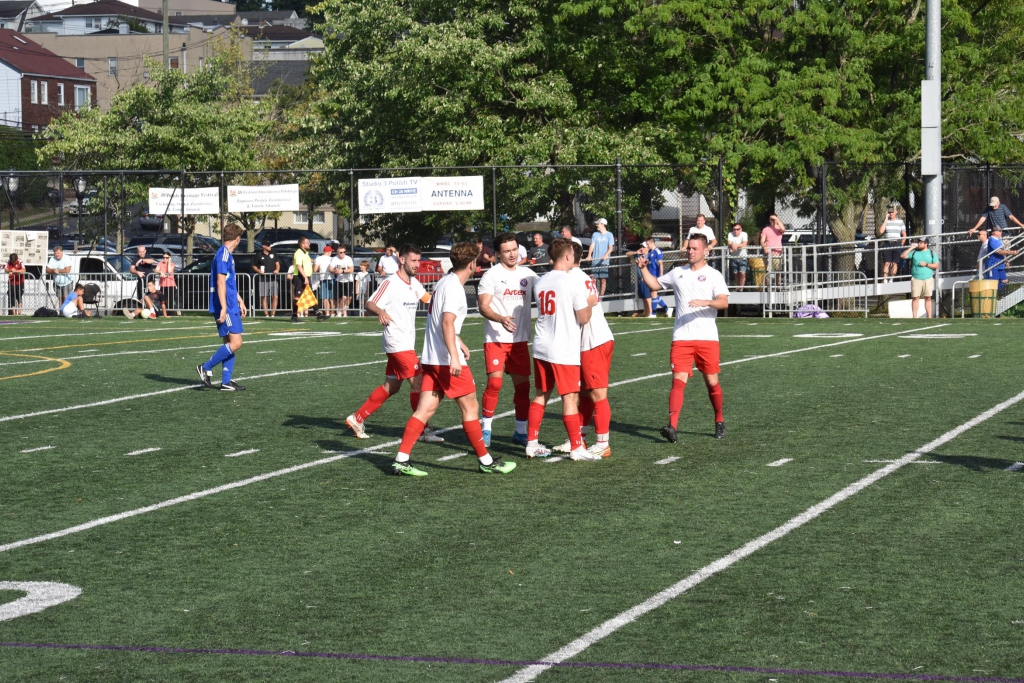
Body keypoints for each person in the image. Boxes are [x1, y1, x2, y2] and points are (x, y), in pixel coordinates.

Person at [391, 242, 517, 476]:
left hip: (431, 358)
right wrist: (454, 356)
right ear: (471, 263)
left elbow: (442, 321)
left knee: (424, 410)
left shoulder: (444, 282)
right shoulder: (455, 288)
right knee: (471, 407)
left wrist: (458, 342)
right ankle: (486, 461)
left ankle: (401, 459)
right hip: (443, 360)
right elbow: (447, 322)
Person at [346, 244, 444, 444]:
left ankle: (357, 418)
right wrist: (380, 311)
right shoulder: (390, 282)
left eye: (419, 261)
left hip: (406, 342)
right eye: (413, 260)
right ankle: (423, 430)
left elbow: (429, 300)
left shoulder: (414, 283)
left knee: (391, 386)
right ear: (402, 260)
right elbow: (370, 303)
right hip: (397, 342)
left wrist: (445, 298)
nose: (417, 265)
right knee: (419, 383)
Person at [637, 233, 729, 442]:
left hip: (707, 338)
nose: (690, 251)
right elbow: (654, 285)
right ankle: (672, 427)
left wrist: (705, 302)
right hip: (681, 338)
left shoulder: (714, 275)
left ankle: (719, 420)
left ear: (705, 251)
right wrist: (642, 268)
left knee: (711, 381)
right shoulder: (678, 272)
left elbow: (723, 302)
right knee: (678, 381)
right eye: (689, 248)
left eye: (695, 248)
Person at [524, 237, 600, 461]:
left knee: (541, 394)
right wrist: (590, 302)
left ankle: (532, 443)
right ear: (568, 256)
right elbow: (583, 318)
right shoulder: (571, 281)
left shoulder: (541, 281)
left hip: (541, 344)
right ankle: (577, 447)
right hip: (563, 347)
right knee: (570, 397)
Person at [477, 232, 539, 447]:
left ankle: (520, 432)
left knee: (523, 388)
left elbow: (549, 289)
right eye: (507, 251)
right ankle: (486, 430)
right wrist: (500, 318)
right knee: (494, 383)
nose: (512, 254)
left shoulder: (528, 274)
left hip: (519, 341)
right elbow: (483, 306)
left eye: (514, 250)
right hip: (496, 339)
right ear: (497, 254)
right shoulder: (491, 275)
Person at [553, 242, 615, 458]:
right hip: (591, 340)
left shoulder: (571, 279)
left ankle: (603, 443)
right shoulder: (581, 277)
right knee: (585, 393)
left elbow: (581, 315)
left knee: (597, 393)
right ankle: (578, 439)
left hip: (593, 340)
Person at [196, 223, 247, 392]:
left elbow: (228, 282)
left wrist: (240, 300)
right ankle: (205, 367)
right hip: (226, 305)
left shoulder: (226, 254)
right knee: (236, 342)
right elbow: (220, 282)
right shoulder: (224, 254)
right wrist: (224, 307)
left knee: (229, 343)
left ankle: (226, 381)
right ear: (237, 239)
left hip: (231, 303)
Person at [900, 237, 938, 318]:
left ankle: (929, 317)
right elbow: (903, 256)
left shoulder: (931, 253)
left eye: (921, 242)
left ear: (926, 244)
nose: (919, 243)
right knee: (915, 298)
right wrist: (911, 247)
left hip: (928, 278)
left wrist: (926, 264)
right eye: (919, 242)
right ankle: (914, 317)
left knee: (928, 298)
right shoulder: (914, 252)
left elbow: (936, 265)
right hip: (916, 279)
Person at [626, 236, 662, 317]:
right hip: (640, 280)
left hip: (646, 279)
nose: (641, 248)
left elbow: (653, 266)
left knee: (648, 297)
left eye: (643, 247)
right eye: (641, 246)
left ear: (647, 248)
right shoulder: (638, 255)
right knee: (643, 298)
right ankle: (647, 314)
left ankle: (652, 313)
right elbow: (627, 254)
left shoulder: (649, 255)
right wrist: (636, 252)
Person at [586, 218, 615, 296]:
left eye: (598, 224)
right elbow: (592, 245)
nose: (596, 225)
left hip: (604, 262)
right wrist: (589, 255)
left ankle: (601, 297)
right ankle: (595, 295)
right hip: (595, 261)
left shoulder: (609, 235)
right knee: (593, 279)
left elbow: (611, 247)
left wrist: (606, 255)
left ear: (602, 224)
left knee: (603, 280)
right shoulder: (595, 234)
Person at [984, 226, 1018, 291]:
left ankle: (995, 293)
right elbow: (999, 251)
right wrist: (1011, 252)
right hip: (993, 265)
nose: (1001, 232)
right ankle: (992, 294)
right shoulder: (991, 239)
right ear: (994, 232)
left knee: (1004, 280)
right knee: (993, 282)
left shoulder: (999, 240)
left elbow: (1003, 251)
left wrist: (1006, 261)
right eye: (999, 231)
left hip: (1000, 264)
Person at [878, 206, 907, 282]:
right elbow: (881, 231)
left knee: (895, 263)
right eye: (889, 212)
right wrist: (886, 219)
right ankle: (885, 279)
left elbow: (904, 234)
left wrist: (901, 244)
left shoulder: (900, 222)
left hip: (896, 243)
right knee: (886, 263)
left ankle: (891, 278)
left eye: (892, 212)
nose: (891, 213)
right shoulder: (885, 221)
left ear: (896, 212)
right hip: (887, 243)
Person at [253, 241, 281, 316]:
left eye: (270, 245)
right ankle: (266, 314)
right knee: (264, 296)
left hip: (273, 278)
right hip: (263, 279)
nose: (269, 247)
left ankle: (273, 314)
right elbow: (254, 265)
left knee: (275, 296)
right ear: (264, 246)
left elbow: (277, 264)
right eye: (268, 245)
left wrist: (277, 270)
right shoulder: (259, 254)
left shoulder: (274, 253)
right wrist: (258, 271)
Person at [759, 215, 786, 284]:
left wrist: (777, 219)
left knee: (778, 271)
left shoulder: (779, 228)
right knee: (768, 271)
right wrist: (765, 247)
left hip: (777, 253)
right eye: (771, 219)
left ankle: (778, 287)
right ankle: (767, 287)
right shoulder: (766, 229)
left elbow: (783, 229)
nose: (772, 221)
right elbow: (762, 241)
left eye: (774, 219)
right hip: (768, 253)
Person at [291, 237, 313, 322]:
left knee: (309, 295)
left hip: (305, 276)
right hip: (300, 277)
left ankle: (319, 314)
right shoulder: (299, 253)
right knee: (298, 296)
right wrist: (305, 277)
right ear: (302, 244)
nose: (309, 244)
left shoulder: (305, 252)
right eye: (307, 242)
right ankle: (294, 315)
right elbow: (299, 266)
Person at [313, 245, 338, 318]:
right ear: (328, 252)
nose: (331, 253)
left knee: (325, 297)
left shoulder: (318, 258)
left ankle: (327, 312)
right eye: (330, 251)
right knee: (332, 297)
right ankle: (332, 312)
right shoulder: (332, 259)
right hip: (331, 278)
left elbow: (315, 269)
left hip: (323, 278)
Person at [726, 223, 749, 288]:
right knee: (736, 274)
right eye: (734, 229)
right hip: (734, 257)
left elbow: (744, 244)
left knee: (742, 273)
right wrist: (732, 245)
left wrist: (736, 245)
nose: (736, 231)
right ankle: (737, 287)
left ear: (741, 229)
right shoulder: (730, 234)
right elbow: (729, 243)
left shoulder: (744, 234)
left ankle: (741, 288)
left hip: (743, 257)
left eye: (738, 229)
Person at [334, 244, 355, 316]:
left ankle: (342, 310)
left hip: (348, 280)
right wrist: (335, 270)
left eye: (344, 252)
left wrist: (342, 271)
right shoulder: (335, 258)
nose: (343, 254)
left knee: (349, 297)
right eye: (341, 252)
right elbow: (331, 268)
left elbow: (351, 269)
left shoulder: (348, 258)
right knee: (343, 297)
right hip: (340, 280)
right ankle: (341, 312)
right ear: (337, 253)